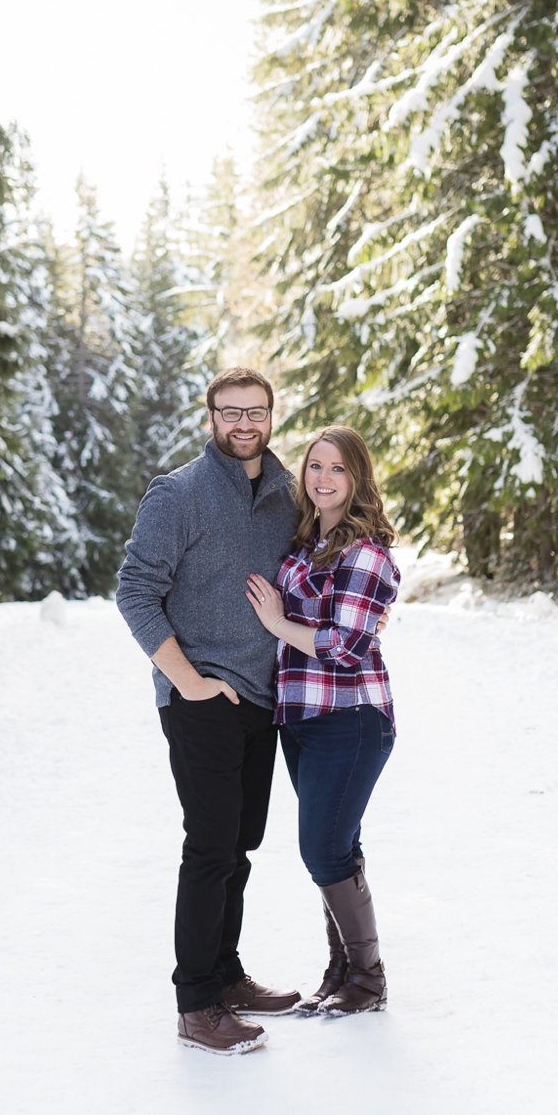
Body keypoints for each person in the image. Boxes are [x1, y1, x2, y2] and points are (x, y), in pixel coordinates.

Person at [115, 367, 304, 1055]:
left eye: (255, 410)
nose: (244, 423)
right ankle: (196, 1002)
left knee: (241, 843)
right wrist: (186, 680)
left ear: (271, 416)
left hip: (261, 695)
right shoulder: (178, 494)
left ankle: (227, 975)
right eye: (231, 411)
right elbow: (135, 593)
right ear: (211, 418)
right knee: (210, 844)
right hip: (200, 695)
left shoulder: (287, 495)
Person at [243, 425, 400, 1017]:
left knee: (324, 849)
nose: (323, 479)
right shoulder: (307, 544)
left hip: (351, 717)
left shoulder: (366, 553)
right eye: (315, 466)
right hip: (301, 715)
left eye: (337, 469)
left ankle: (369, 978)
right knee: (337, 844)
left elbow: (348, 646)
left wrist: (281, 626)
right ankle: (341, 971)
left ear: (357, 478)